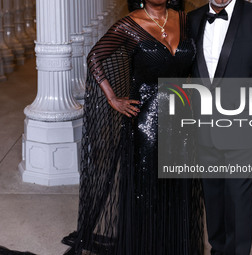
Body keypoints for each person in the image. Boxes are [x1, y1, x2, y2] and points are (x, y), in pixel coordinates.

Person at [61, 0, 204, 255]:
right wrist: (112, 97)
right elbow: (95, 56)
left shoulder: (185, 20)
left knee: (178, 185)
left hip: (182, 117)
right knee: (147, 188)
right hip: (146, 119)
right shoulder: (129, 25)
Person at [187, 0, 252, 254]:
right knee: (214, 202)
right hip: (204, 130)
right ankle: (218, 250)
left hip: (246, 131)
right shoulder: (193, 19)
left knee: (239, 204)